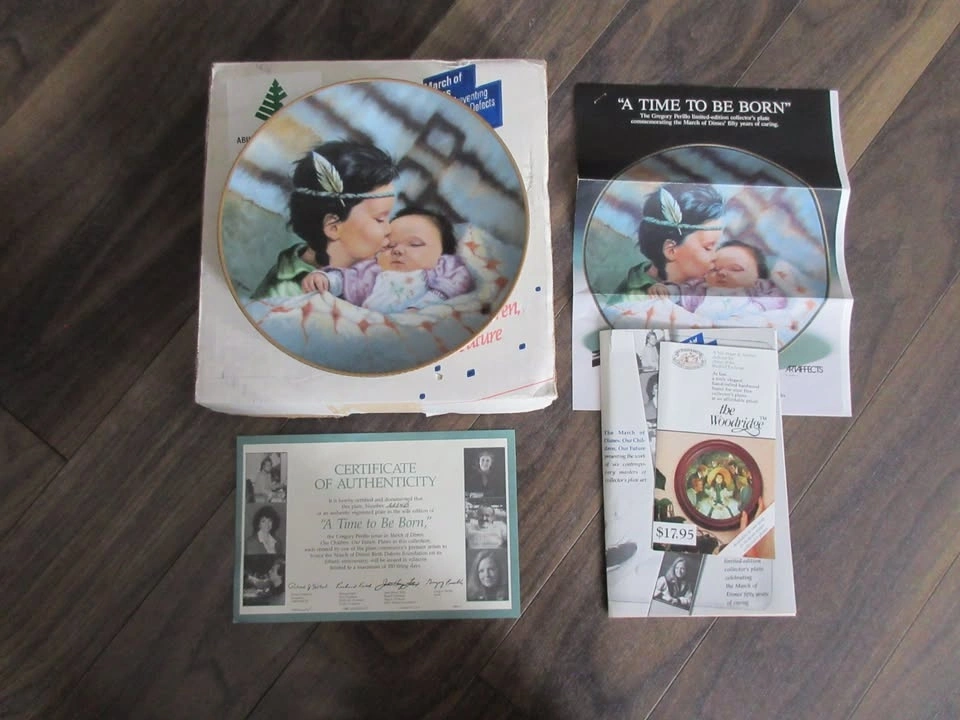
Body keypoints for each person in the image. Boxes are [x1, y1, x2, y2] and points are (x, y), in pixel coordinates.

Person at [252, 140, 399, 299]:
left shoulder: (378, 271)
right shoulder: (282, 298)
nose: (389, 229)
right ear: (333, 227)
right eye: (379, 219)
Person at [299, 207, 474, 313]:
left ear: (443, 254)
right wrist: (326, 280)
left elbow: (457, 280)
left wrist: (423, 306)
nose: (397, 250)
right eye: (389, 246)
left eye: (414, 244)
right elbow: (347, 279)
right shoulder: (373, 272)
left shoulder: (442, 268)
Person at [615, 184, 725, 295]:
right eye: (708, 248)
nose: (717, 257)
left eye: (718, 246)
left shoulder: (701, 286)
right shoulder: (637, 300)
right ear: (671, 250)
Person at [649, 240, 787, 314]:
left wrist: (758, 308)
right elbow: (682, 291)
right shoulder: (701, 288)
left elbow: (778, 299)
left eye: (735, 269)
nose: (721, 273)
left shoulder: (758, 288)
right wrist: (667, 291)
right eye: (714, 269)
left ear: (758, 277)